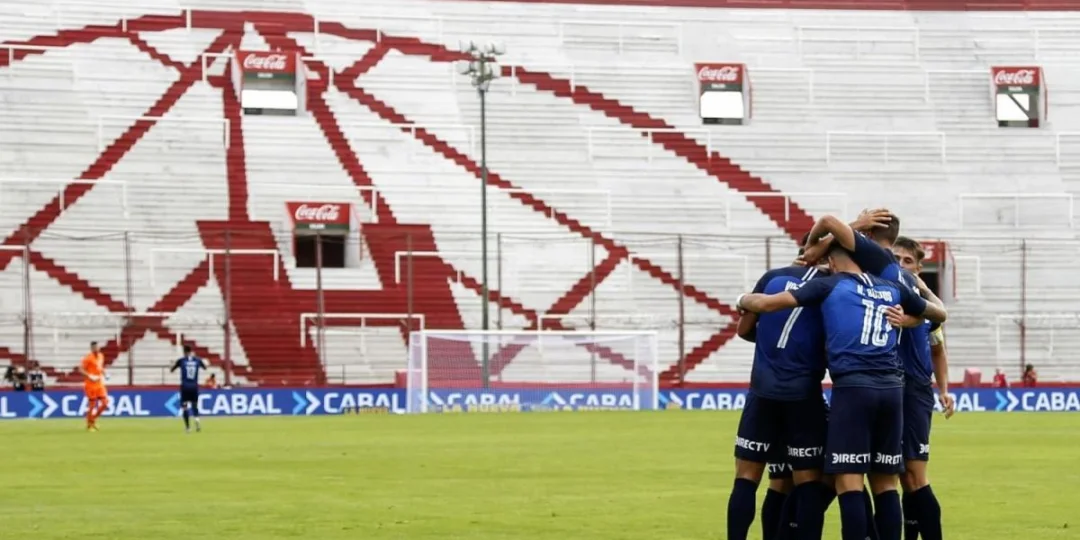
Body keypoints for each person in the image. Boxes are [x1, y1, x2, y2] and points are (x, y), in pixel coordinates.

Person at [737, 242, 948, 540]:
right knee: (885, 483)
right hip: (892, 389)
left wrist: (742, 298)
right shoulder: (893, 288)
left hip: (855, 389)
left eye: (908, 261)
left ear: (832, 263)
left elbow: (767, 305)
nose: (901, 264)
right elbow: (939, 314)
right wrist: (917, 304)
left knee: (849, 482)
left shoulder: (831, 285)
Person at [728, 236, 831, 540]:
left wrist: (770, 342)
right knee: (806, 481)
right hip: (804, 395)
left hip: (762, 391)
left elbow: (743, 329)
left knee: (748, 478)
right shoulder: (833, 287)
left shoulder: (772, 277)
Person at [886, 237, 953, 540]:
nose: (901, 265)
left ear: (918, 268)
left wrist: (944, 390)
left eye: (907, 261)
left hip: (913, 391)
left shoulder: (926, 308)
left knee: (914, 476)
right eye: (896, 258)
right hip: (885, 388)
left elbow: (938, 350)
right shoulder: (881, 292)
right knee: (898, 475)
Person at [170, 345, 208, 433]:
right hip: (194, 386)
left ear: (184, 352)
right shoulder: (197, 360)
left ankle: (188, 428)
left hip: (185, 387)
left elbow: (172, 370)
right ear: (191, 351)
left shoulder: (181, 360)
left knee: (184, 406)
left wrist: (172, 365)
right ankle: (197, 421)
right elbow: (205, 367)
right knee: (194, 405)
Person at [78, 342, 108, 431]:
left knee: (105, 403)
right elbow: (80, 369)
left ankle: (92, 419)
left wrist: (105, 373)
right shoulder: (88, 358)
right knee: (92, 405)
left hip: (99, 383)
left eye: (96, 347)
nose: (95, 349)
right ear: (91, 349)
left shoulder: (101, 356)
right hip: (90, 384)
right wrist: (90, 376)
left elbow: (100, 367)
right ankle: (90, 425)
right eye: (94, 348)